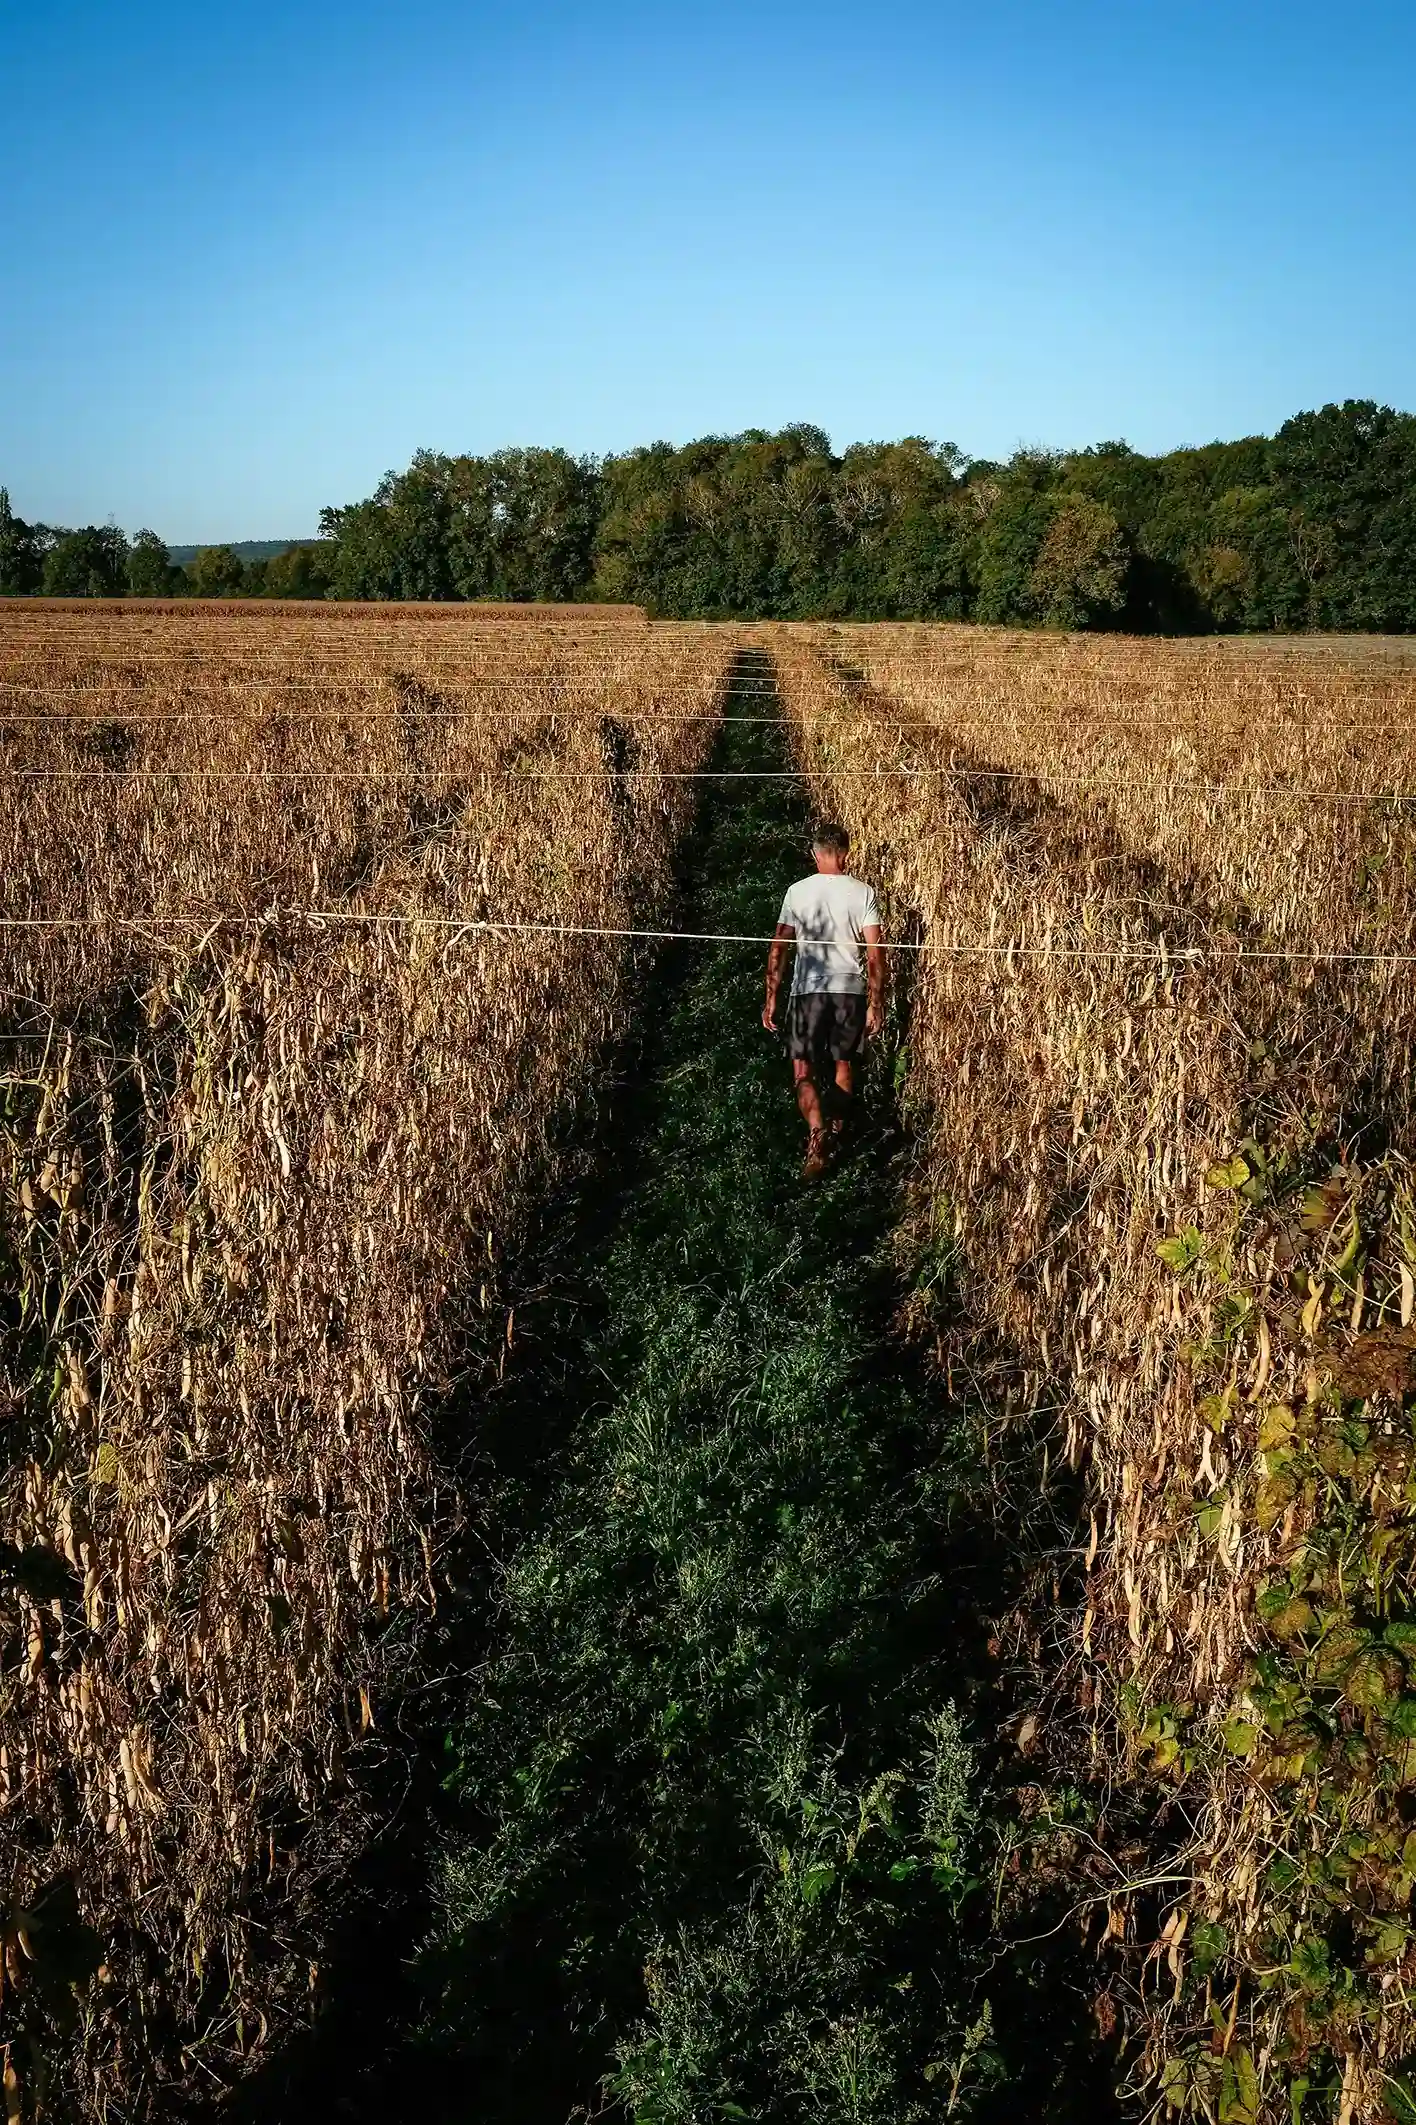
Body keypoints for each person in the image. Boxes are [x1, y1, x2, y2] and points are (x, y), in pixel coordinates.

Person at [762, 820, 884, 1179]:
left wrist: (771, 997)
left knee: (803, 1070)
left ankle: (817, 1135)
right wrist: (876, 1002)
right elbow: (875, 953)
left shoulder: (797, 892)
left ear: (814, 854)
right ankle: (835, 1133)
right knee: (844, 1066)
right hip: (849, 989)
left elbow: (778, 947)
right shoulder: (863, 892)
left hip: (807, 992)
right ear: (846, 854)